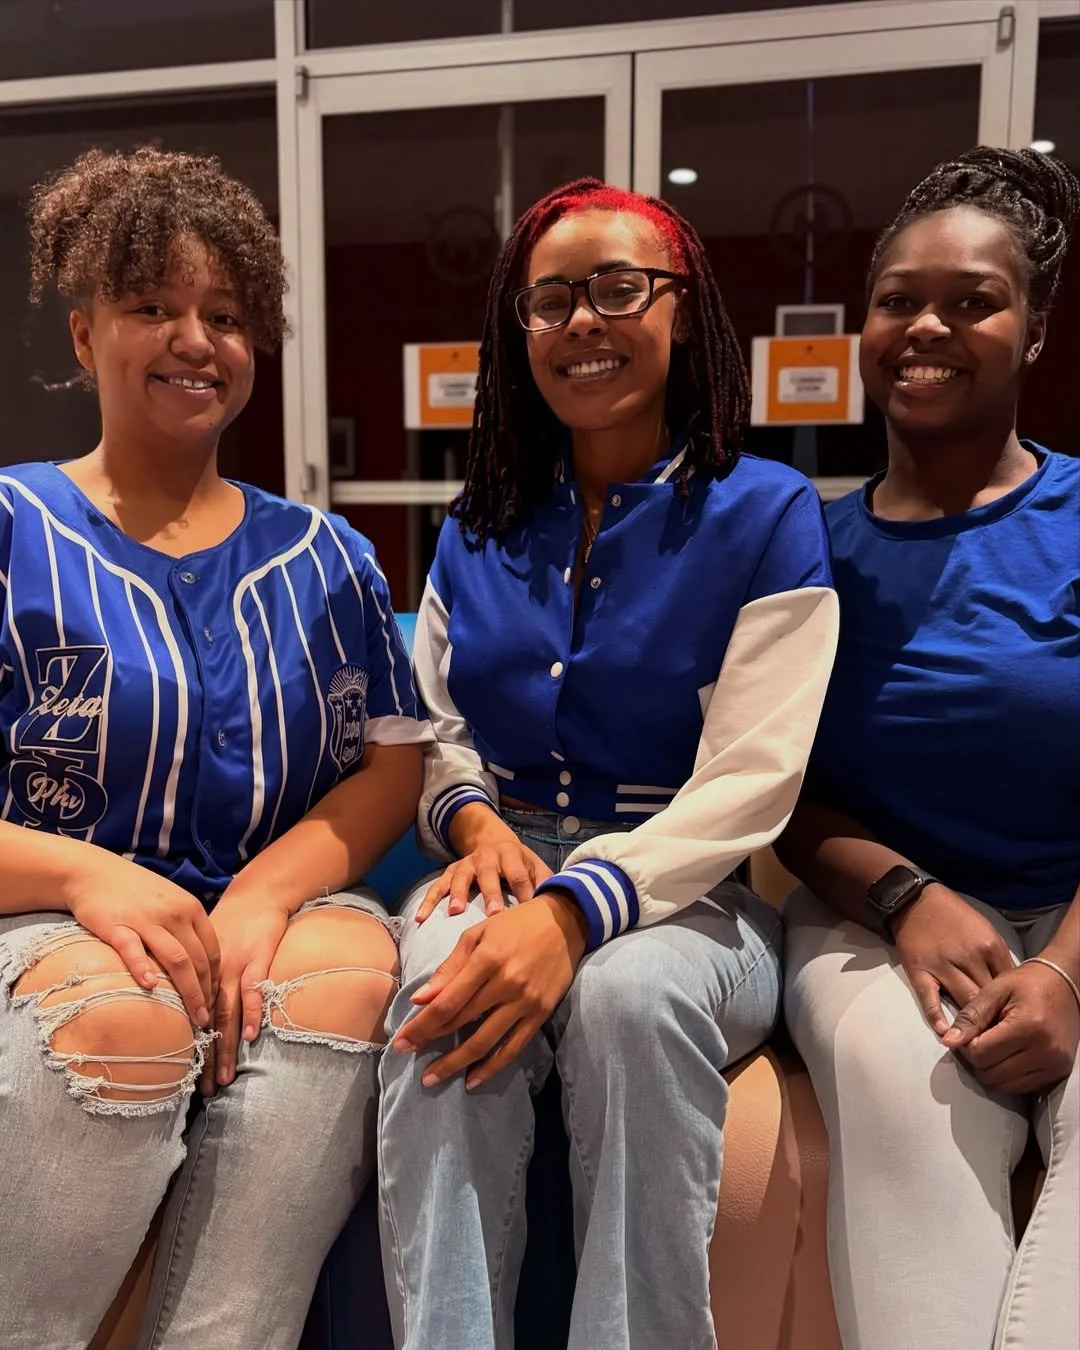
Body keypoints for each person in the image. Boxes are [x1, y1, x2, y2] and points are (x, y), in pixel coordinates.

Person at [377, 178, 838, 1350]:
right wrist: (474, 827)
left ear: (683, 309)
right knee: (444, 996)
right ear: (517, 332)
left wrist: (582, 911)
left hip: (688, 887)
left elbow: (754, 776)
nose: (584, 321)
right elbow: (434, 725)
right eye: (551, 301)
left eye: (621, 288)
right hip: (499, 855)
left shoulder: (767, 510)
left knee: (633, 999)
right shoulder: (476, 515)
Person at [0, 147, 431, 1350]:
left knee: (350, 973)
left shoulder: (329, 557)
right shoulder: (10, 527)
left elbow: (389, 766)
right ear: (84, 336)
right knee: (128, 1014)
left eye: (225, 315)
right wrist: (90, 877)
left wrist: (261, 892)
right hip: (39, 915)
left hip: (271, 905)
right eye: (153, 306)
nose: (196, 338)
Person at [778, 147, 1080, 1350]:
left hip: (1071, 913)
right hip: (867, 925)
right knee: (909, 1096)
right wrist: (905, 895)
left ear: (1038, 331)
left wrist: (1063, 971)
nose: (927, 326)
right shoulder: (808, 548)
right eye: (899, 298)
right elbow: (777, 794)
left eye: (974, 300)